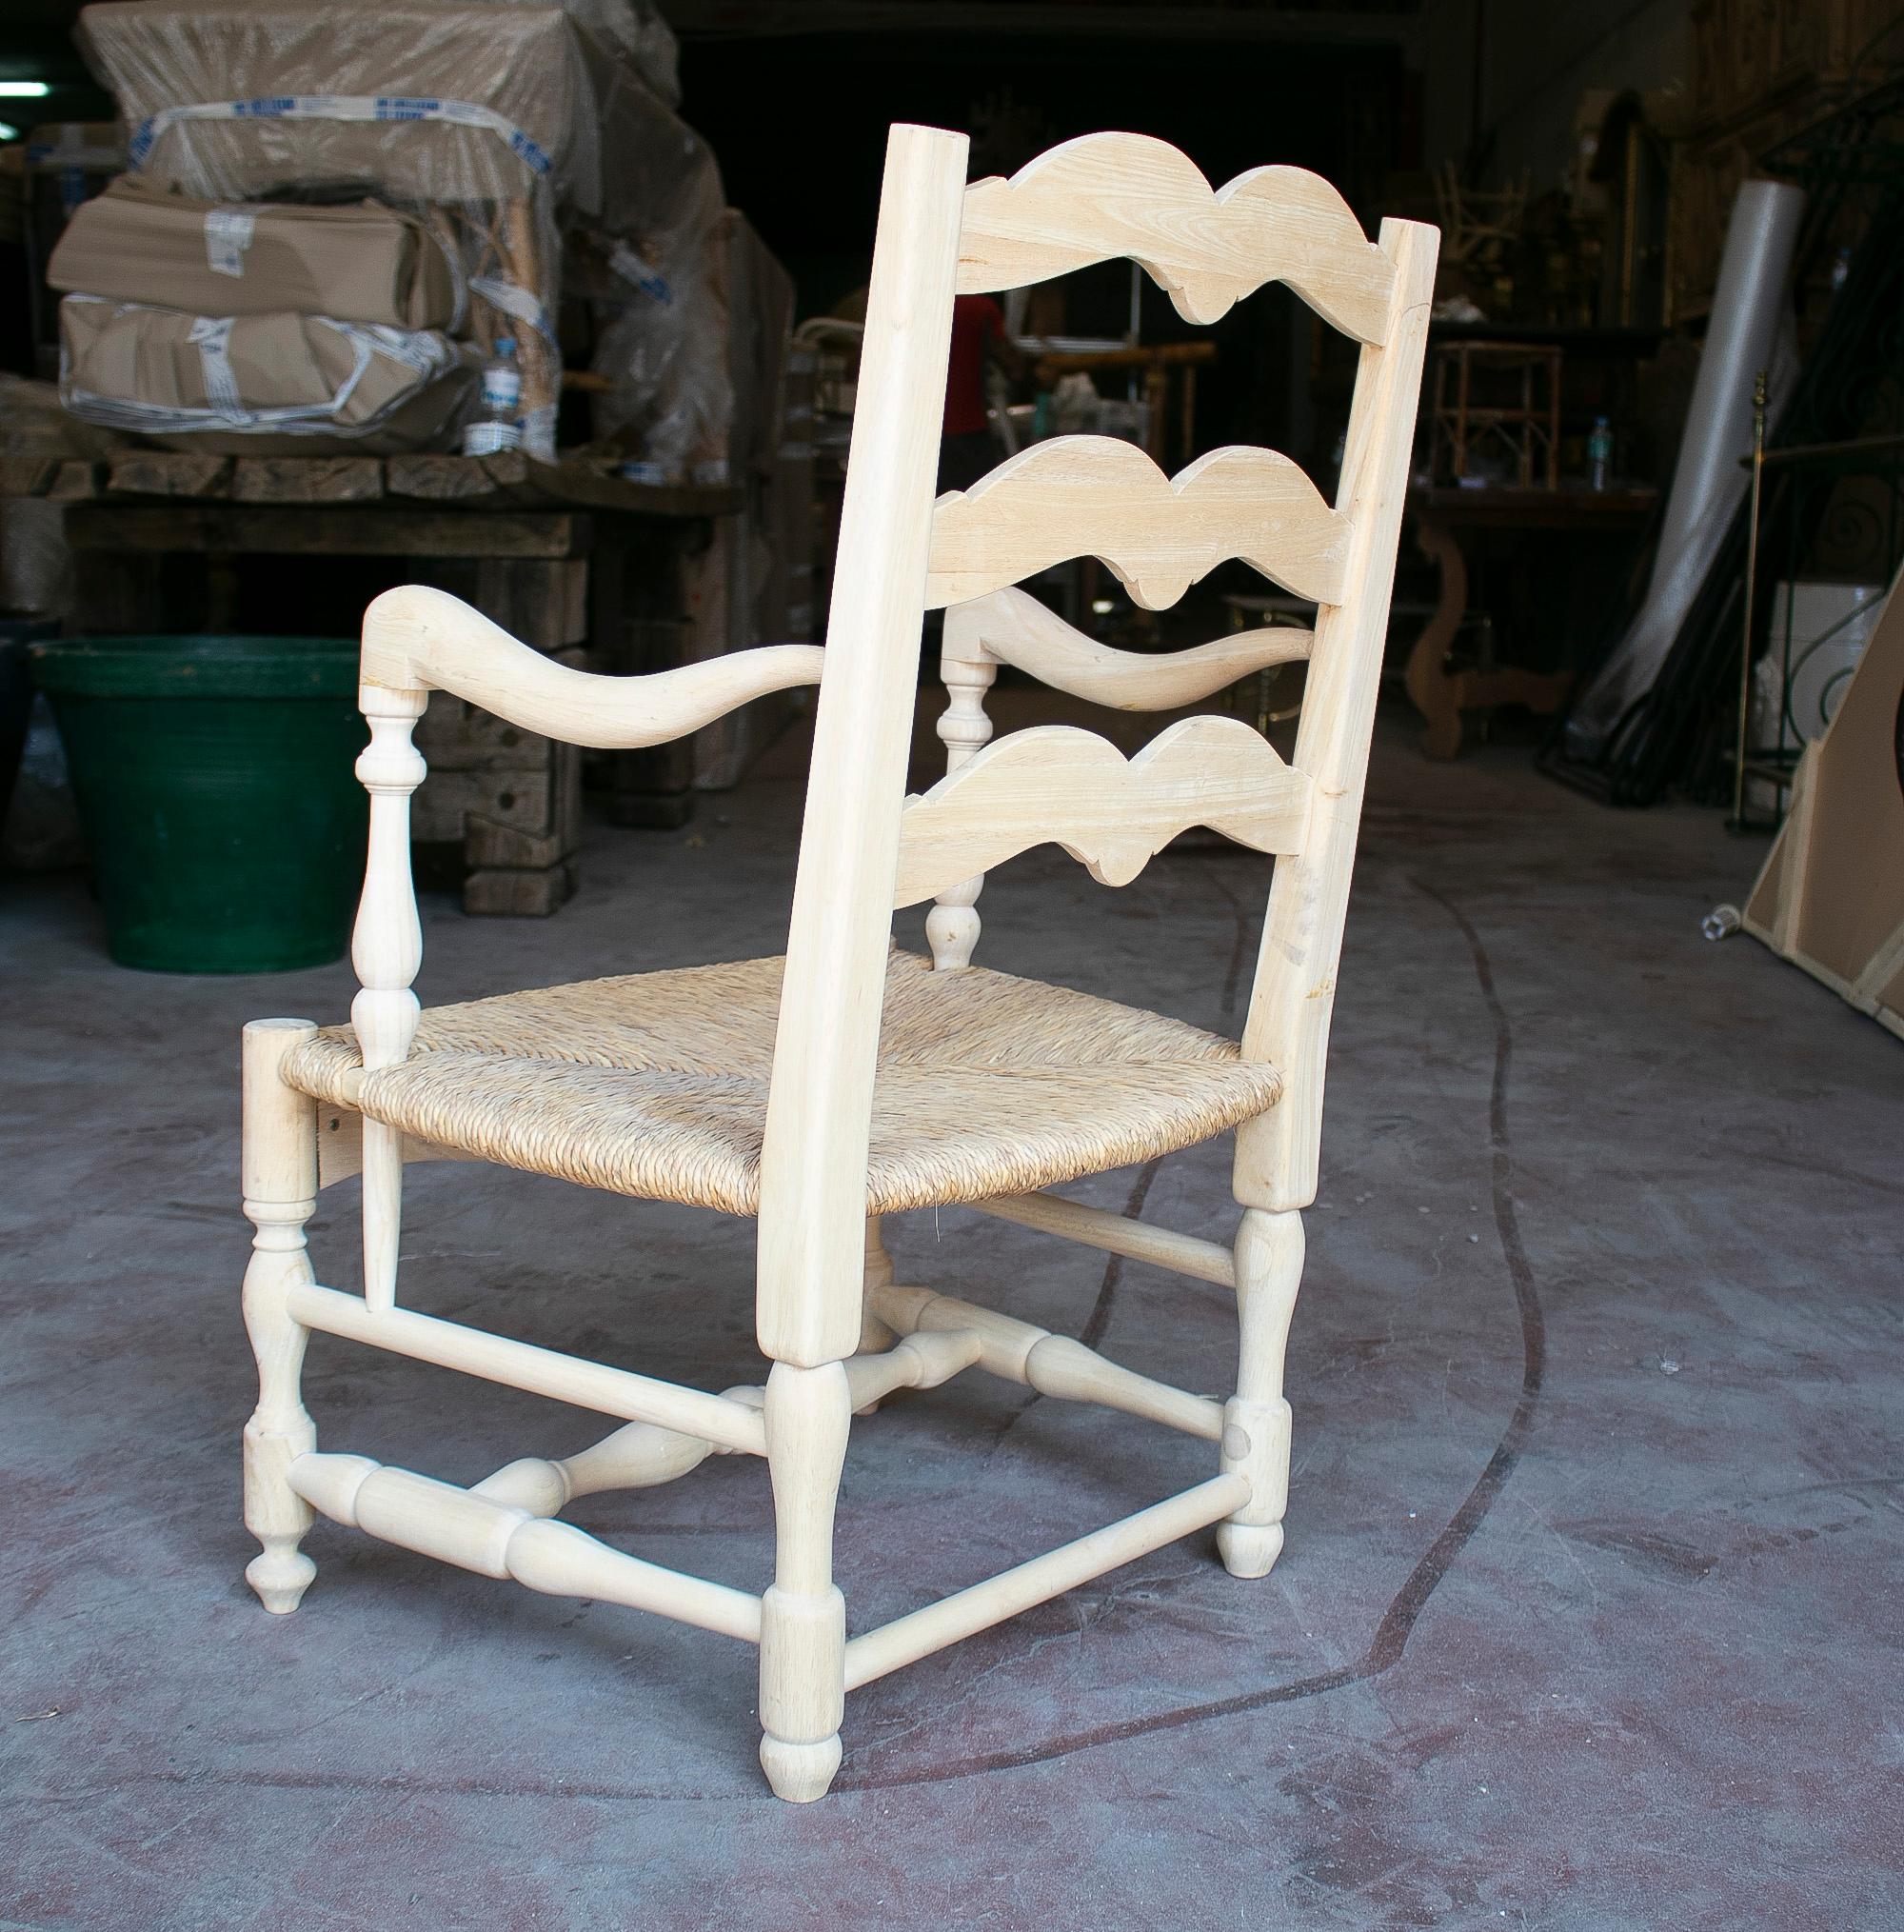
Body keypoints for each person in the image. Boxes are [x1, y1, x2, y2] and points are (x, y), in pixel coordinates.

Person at [938, 292, 1030, 492]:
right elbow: (1011, 363)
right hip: (969, 424)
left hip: (926, 427)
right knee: (975, 495)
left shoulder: (924, 300)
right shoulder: (981, 307)